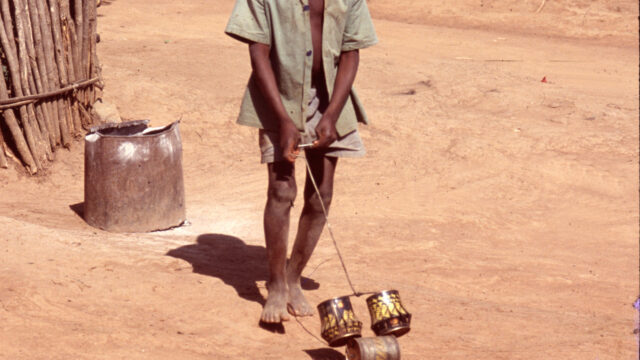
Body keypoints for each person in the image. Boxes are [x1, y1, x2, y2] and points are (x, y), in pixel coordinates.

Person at [225, 0, 377, 324]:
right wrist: (282, 119)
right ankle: (277, 285)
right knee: (281, 190)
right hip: (276, 99)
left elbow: (351, 53)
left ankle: (294, 277)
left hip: (330, 98)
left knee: (322, 194)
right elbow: (258, 52)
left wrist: (333, 113)